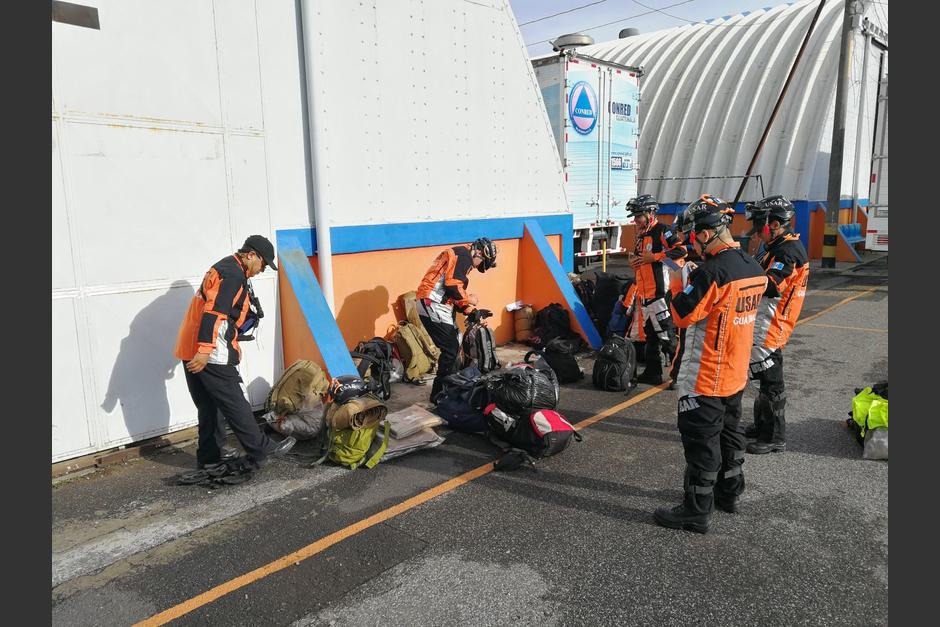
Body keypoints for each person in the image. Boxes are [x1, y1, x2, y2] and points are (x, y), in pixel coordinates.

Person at [654, 195, 767, 533]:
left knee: (701, 441)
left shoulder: (712, 273)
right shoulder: (753, 266)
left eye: (693, 236)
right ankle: (729, 494)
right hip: (735, 371)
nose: (692, 243)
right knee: (731, 435)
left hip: (705, 375)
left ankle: (696, 510)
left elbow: (682, 314)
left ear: (705, 234)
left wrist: (678, 281)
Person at [174, 235, 296, 470]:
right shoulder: (233, 275)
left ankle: (210, 457)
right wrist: (205, 350)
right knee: (234, 401)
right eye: (263, 264)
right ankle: (261, 447)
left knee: (209, 405)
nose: (262, 270)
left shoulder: (225, 267)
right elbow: (214, 313)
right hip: (210, 351)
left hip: (190, 345)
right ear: (251, 255)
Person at [742, 195, 810, 454]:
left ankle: (774, 437)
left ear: (774, 224)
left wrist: (742, 271)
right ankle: (762, 425)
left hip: (772, 325)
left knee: (771, 383)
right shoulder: (776, 245)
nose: (757, 231)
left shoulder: (787, 250)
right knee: (761, 379)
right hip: (764, 322)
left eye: (759, 225)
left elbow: (772, 285)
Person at [416, 237, 498, 401]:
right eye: (481, 263)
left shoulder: (461, 254)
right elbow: (453, 286)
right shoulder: (464, 256)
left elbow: (453, 293)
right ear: (479, 252)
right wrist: (470, 300)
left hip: (438, 302)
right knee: (450, 348)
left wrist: (472, 312)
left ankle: (450, 386)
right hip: (433, 302)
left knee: (456, 341)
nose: (478, 267)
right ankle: (439, 394)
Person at [627, 194, 687, 385]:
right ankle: (653, 373)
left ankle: (680, 376)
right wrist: (634, 262)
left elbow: (681, 251)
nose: (636, 220)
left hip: (660, 295)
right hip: (645, 296)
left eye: (638, 216)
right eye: (635, 216)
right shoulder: (640, 235)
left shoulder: (663, 230)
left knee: (667, 336)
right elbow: (641, 259)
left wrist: (655, 257)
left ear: (650, 213)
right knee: (651, 337)